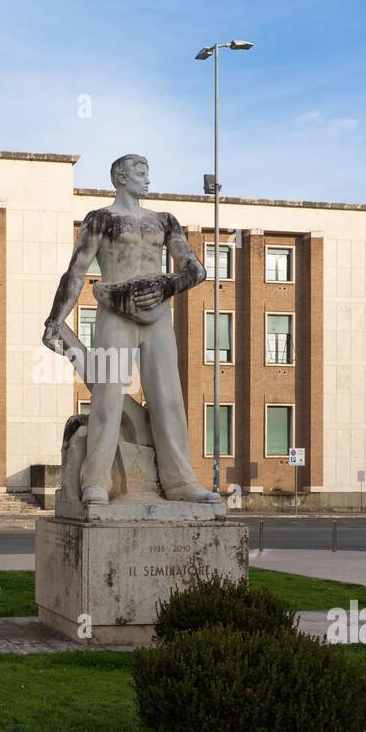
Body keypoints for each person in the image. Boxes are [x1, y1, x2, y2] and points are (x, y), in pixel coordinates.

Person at [42, 154, 219, 505]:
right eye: (141, 172)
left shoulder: (165, 221)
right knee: (107, 397)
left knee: (168, 398)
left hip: (157, 317)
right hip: (115, 312)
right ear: (120, 176)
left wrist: (169, 286)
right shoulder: (101, 219)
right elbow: (76, 272)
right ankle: (96, 481)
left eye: (148, 172)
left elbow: (195, 269)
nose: (147, 178)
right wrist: (55, 319)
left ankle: (181, 481)